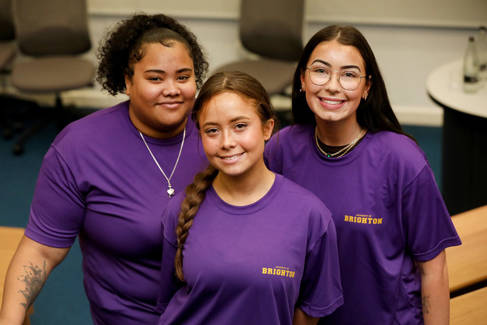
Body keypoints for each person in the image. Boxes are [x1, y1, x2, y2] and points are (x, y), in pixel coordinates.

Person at [0, 13, 209, 325]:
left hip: (214, 310)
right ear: (127, 81)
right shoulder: (79, 148)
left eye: (183, 77)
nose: (172, 89)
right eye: (155, 78)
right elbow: (41, 252)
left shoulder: (218, 136)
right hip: (131, 318)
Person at [265, 25, 461, 325]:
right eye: (320, 71)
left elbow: (433, 269)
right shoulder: (280, 149)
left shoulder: (402, 159)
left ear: (367, 87)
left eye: (349, 74)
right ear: (302, 80)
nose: (332, 85)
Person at [156, 71, 343, 325]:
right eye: (212, 131)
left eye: (240, 126)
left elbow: (310, 311)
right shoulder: (179, 208)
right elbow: (168, 299)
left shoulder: (310, 216)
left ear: (267, 128)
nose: (226, 142)